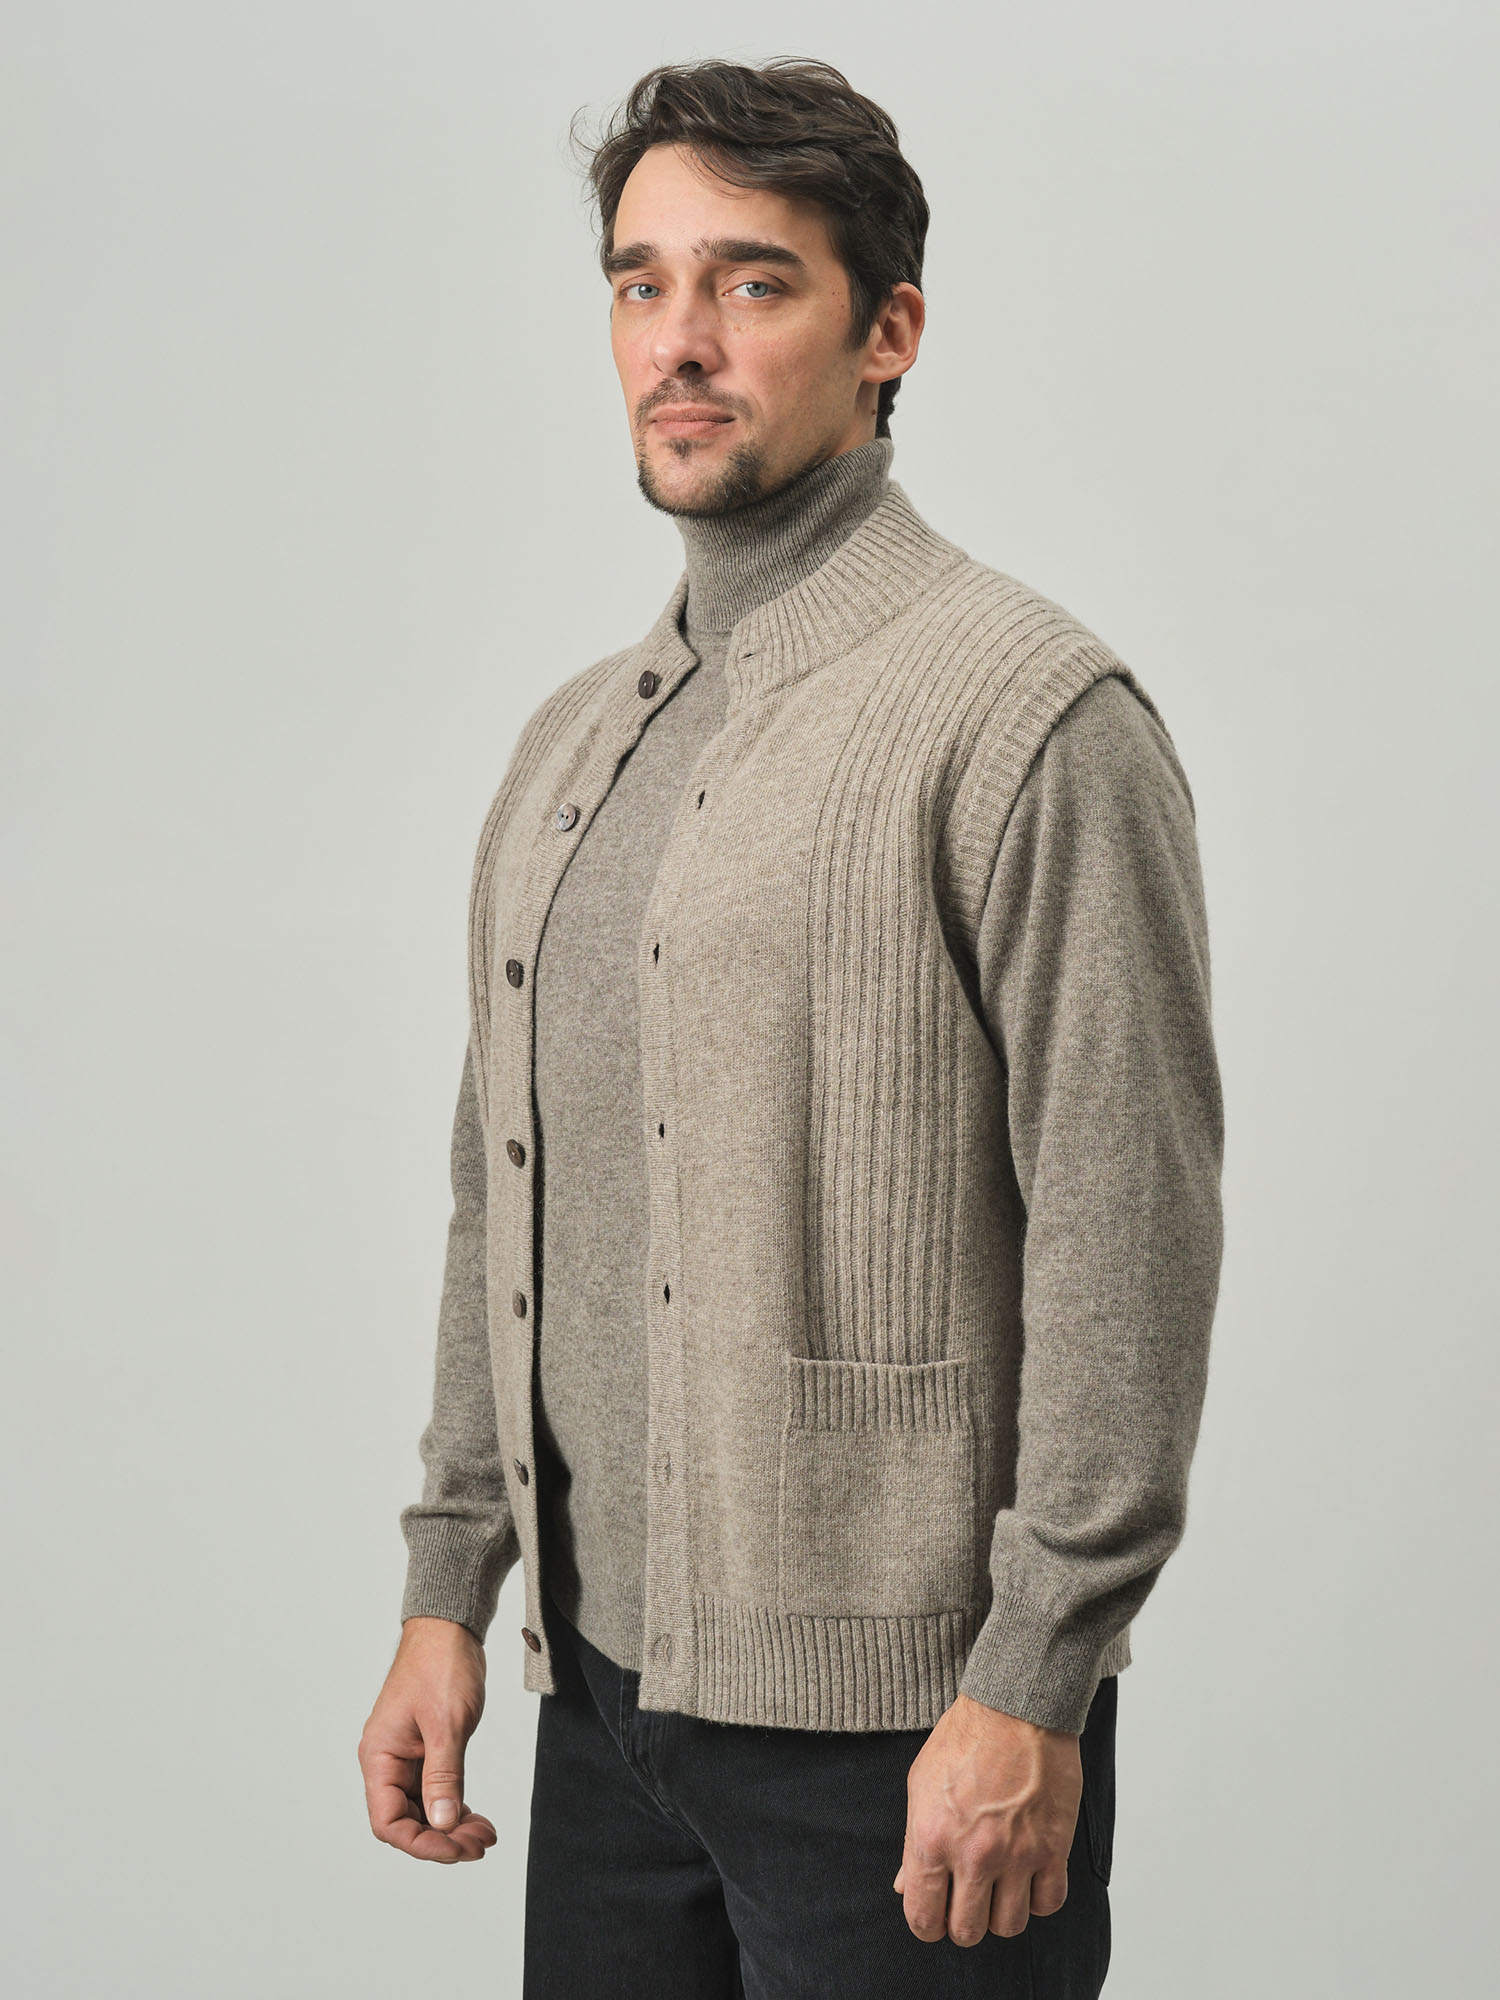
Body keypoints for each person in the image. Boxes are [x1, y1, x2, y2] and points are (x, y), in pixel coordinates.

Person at [357, 55, 1224, 1999]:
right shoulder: (568, 750)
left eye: (752, 282)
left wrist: (1037, 1680)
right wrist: (449, 1583)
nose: (682, 339)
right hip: (604, 1708)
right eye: (642, 282)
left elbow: (1129, 1233)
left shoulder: (1029, 713)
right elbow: (507, 1196)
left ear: (886, 331)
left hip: (912, 1731)